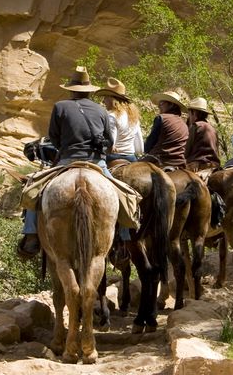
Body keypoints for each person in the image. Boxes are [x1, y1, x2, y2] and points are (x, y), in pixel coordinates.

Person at [18, 66, 114, 258]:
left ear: (71, 89)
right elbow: (109, 142)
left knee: (32, 189)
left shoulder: (60, 106)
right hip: (97, 163)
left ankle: (31, 236)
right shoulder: (101, 111)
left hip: (67, 160)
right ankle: (123, 237)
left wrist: (65, 147)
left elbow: (53, 137)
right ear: (89, 90)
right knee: (124, 195)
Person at [95, 78, 143, 163]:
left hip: (114, 157)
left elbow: (111, 145)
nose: (103, 101)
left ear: (112, 99)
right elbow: (140, 148)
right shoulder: (134, 117)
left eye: (105, 97)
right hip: (131, 157)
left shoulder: (112, 117)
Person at [143, 90, 188, 167]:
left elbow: (149, 144)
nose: (159, 106)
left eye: (162, 103)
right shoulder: (184, 124)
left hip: (161, 160)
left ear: (171, 105)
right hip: (180, 162)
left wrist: (145, 149)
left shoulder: (161, 118)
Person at [185, 97, 221, 172]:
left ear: (194, 112)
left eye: (189, 114)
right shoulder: (212, 128)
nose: (189, 117)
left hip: (198, 165)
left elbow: (186, 150)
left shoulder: (195, 126)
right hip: (214, 165)